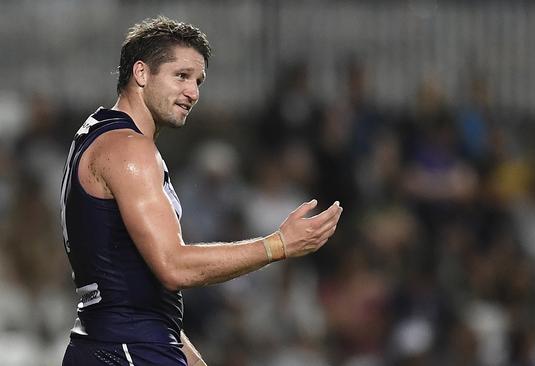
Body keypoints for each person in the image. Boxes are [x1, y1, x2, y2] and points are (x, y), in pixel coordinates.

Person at [59, 16, 342, 366]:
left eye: (198, 81)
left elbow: (135, 284)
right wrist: (278, 244)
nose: (193, 92)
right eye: (181, 76)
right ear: (142, 73)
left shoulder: (98, 135)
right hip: (129, 351)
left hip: (113, 344)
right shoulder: (128, 148)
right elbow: (173, 266)